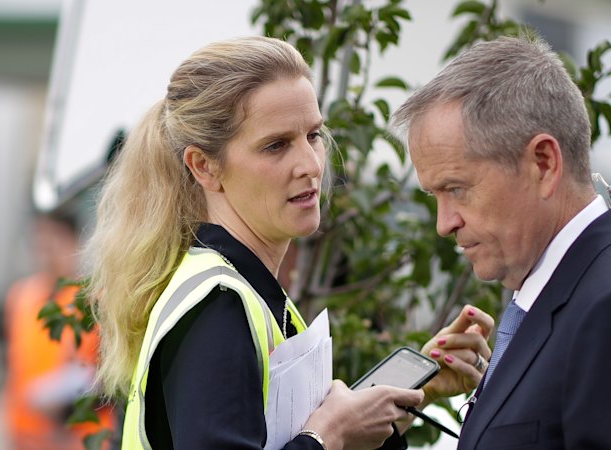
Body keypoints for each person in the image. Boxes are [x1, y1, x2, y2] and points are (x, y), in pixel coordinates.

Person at [85, 36, 493, 450]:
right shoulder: (217, 304)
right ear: (204, 166)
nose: (311, 165)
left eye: (313, 135)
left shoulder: (246, 294)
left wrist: (410, 393)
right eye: (276, 145)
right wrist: (326, 435)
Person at [393, 35, 611, 449]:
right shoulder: (559, 291)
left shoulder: (602, 307)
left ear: (543, 163)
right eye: (433, 195)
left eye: (456, 188)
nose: (443, 224)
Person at [4, 212, 114, 449]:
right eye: (40, 242)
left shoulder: (94, 301)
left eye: (54, 241)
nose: (46, 252)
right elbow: (17, 370)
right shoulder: (22, 297)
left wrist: (65, 406)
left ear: (74, 243)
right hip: (28, 435)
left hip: (78, 438)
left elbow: (112, 380)